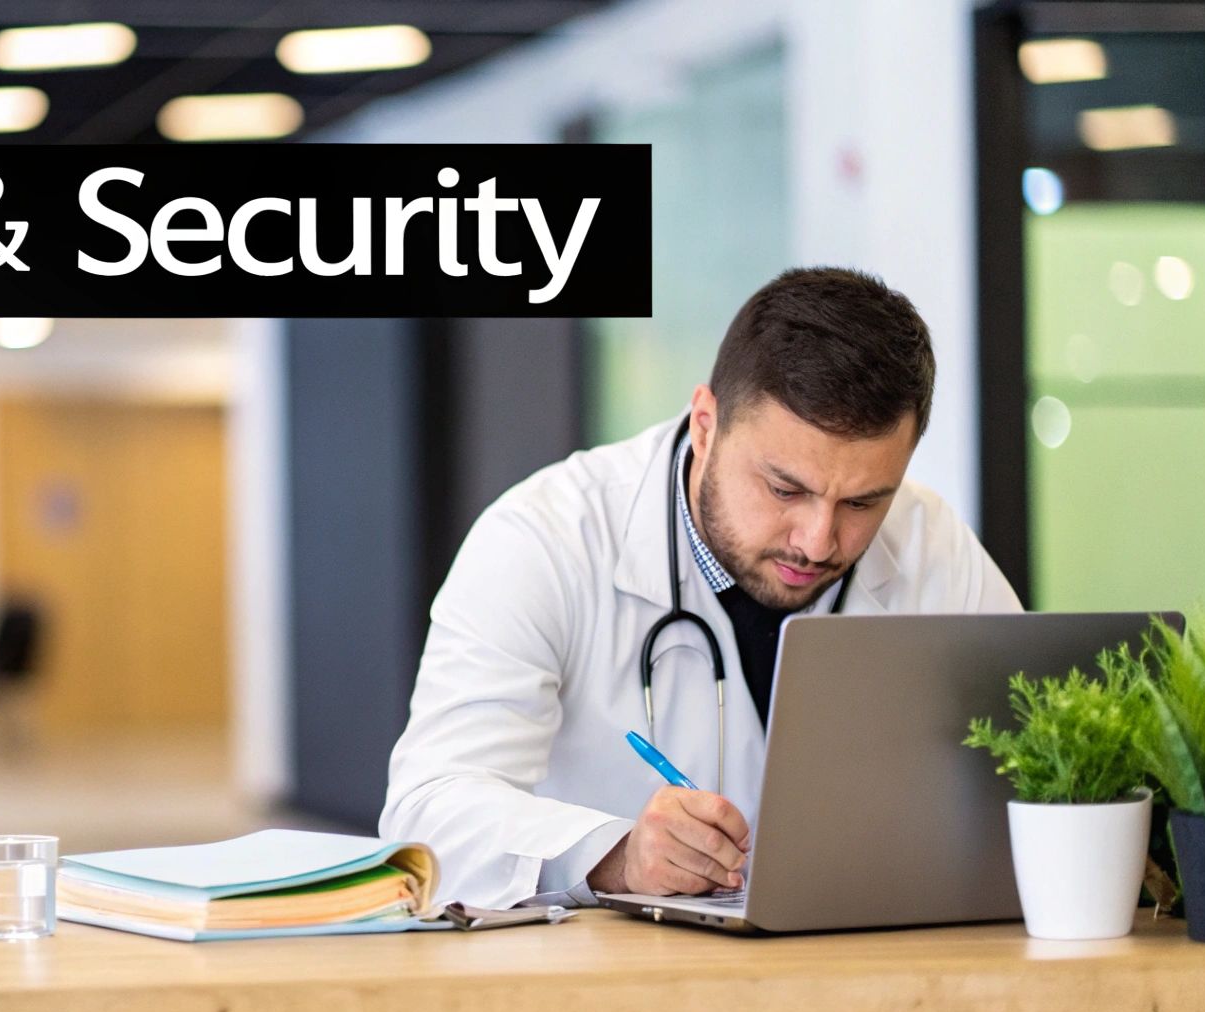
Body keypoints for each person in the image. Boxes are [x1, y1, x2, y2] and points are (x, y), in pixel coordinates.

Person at [380, 268, 1021, 909]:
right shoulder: (544, 539)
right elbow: (428, 812)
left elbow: (1038, 774)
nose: (818, 540)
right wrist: (616, 854)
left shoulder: (930, 543)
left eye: (862, 502)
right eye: (784, 490)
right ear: (707, 426)